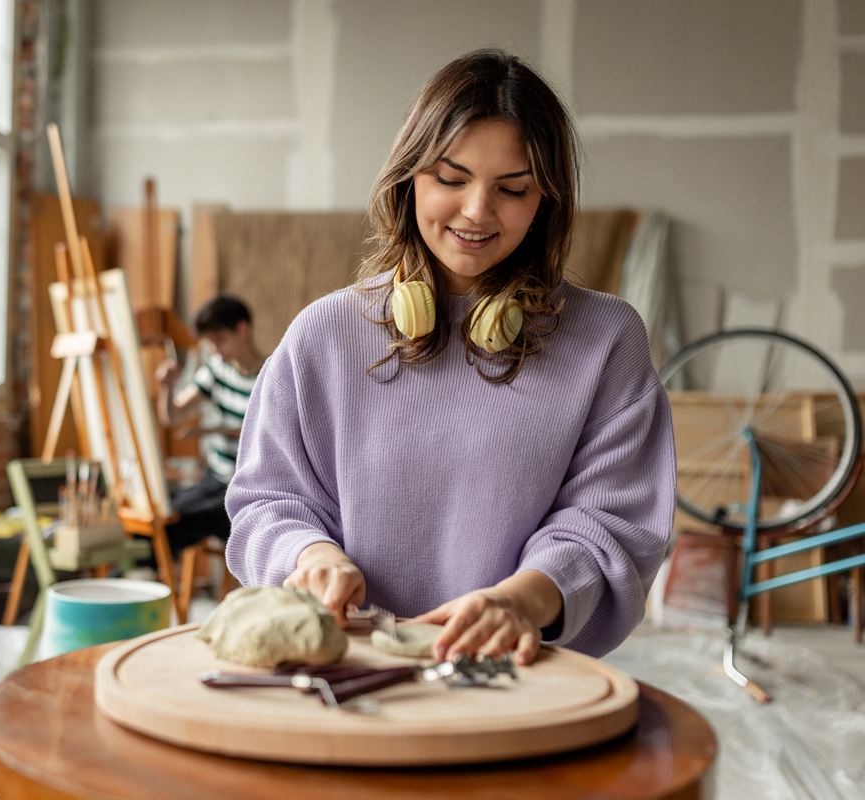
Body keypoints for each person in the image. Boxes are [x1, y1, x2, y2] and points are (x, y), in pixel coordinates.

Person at [224, 49, 675, 666]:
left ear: (546, 198)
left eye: (511, 189)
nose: (476, 212)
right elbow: (267, 504)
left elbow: (613, 522)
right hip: (350, 674)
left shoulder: (607, 340)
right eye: (451, 179)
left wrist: (520, 602)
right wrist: (311, 556)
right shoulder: (322, 334)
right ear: (408, 177)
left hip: (513, 678)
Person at [153, 294, 265, 562]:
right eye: (211, 343)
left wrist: (239, 433)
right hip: (213, 479)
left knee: (178, 523)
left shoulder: (269, 376)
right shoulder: (217, 370)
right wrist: (167, 387)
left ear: (243, 329)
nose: (216, 350)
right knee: (163, 518)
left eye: (220, 340)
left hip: (246, 489)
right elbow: (173, 416)